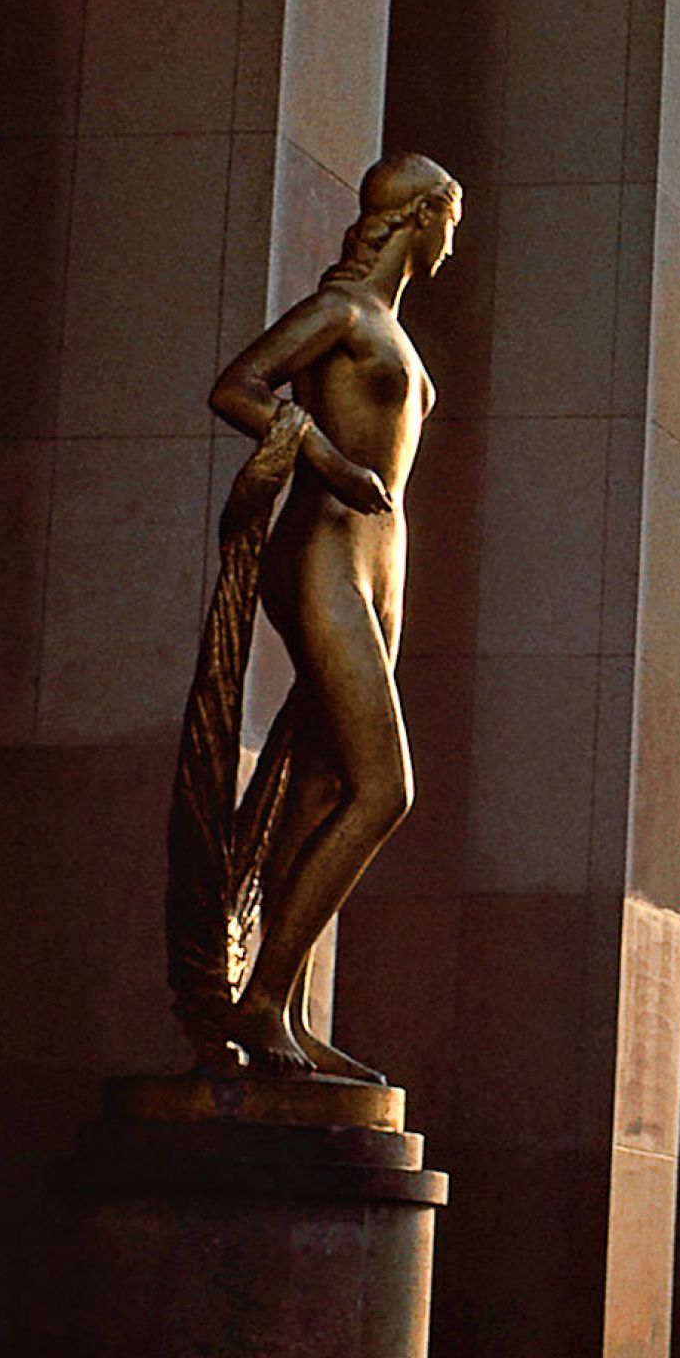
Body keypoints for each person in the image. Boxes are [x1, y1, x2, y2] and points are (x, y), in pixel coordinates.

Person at [165, 152, 462, 1083]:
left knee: (326, 785)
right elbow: (238, 387)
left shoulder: (396, 334)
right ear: (421, 216)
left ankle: (284, 1008)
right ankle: (256, 1002)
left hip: (380, 567)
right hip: (326, 552)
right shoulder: (343, 315)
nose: (455, 240)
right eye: (452, 220)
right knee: (387, 788)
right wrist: (326, 462)